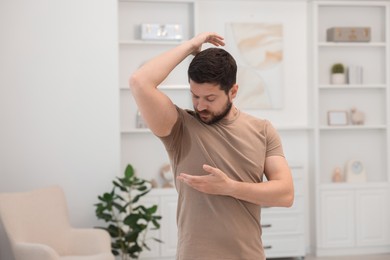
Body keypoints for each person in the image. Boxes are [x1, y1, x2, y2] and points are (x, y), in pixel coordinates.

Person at [129, 32, 294, 260]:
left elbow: (285, 194)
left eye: (210, 98)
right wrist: (190, 46)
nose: (200, 106)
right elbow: (139, 82)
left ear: (233, 91)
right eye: (195, 96)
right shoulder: (179, 127)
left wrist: (230, 188)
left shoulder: (263, 130)